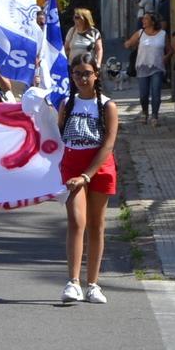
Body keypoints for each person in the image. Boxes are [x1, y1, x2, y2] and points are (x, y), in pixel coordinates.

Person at [58, 54, 119, 304]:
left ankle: (93, 283)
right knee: (76, 220)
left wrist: (87, 175)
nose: (83, 78)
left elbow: (108, 144)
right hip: (73, 166)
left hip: (99, 167)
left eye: (87, 73)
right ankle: (73, 281)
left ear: (96, 74)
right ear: (72, 77)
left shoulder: (107, 105)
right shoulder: (66, 104)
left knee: (97, 225)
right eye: (77, 74)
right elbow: (56, 136)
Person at [124, 12, 167, 125]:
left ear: (153, 21)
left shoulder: (163, 34)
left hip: (157, 67)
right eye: (143, 19)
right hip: (142, 67)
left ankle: (154, 116)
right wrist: (129, 44)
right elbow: (127, 44)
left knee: (156, 92)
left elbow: (170, 49)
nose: (143, 21)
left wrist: (166, 57)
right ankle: (144, 112)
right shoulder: (140, 33)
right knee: (144, 94)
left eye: (146, 19)